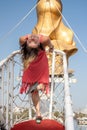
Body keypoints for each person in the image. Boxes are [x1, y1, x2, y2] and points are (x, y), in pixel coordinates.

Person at [32, 0, 78, 74]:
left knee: (68, 38)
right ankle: (45, 65)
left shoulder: (57, 2)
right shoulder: (42, 2)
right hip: (43, 28)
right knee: (43, 42)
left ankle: (59, 65)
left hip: (59, 27)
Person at [19, 34, 54, 123]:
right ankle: (38, 113)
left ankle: (39, 86)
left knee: (39, 86)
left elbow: (49, 44)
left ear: (39, 44)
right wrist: (32, 39)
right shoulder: (25, 40)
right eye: (30, 41)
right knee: (34, 92)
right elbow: (21, 39)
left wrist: (50, 47)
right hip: (30, 67)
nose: (32, 39)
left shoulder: (42, 40)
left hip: (41, 66)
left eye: (34, 41)